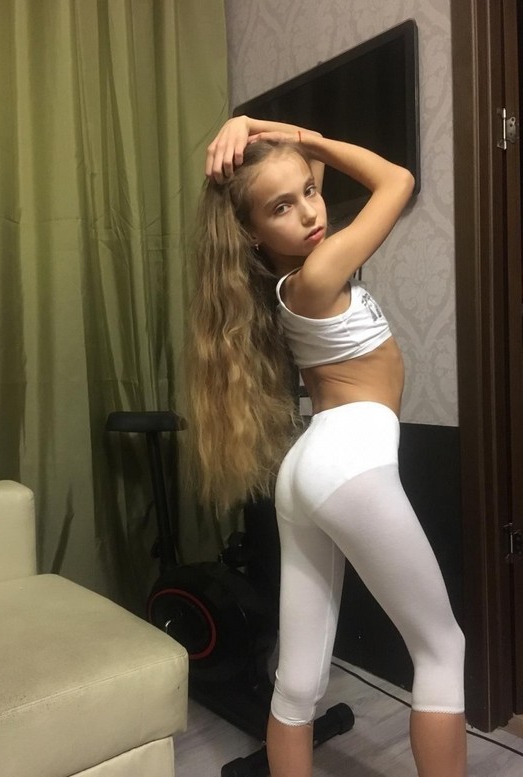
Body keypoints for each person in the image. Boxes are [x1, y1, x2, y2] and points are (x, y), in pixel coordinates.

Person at [186, 114, 467, 777]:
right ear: (253, 233)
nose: (311, 211)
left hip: (308, 467)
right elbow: (396, 179)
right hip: (350, 464)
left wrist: (250, 126)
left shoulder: (295, 278)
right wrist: (305, 142)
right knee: (441, 649)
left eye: (308, 193)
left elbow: (305, 159)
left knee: (298, 680)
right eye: (281, 207)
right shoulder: (318, 274)